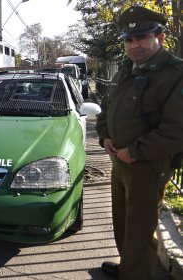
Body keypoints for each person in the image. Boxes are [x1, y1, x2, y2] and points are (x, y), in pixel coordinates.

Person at [95, 6, 183, 280]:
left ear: (160, 37)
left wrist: (134, 151)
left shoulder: (174, 74)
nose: (134, 45)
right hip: (120, 162)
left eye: (142, 37)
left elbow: (176, 130)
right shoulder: (126, 69)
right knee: (123, 225)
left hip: (147, 166)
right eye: (129, 40)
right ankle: (129, 269)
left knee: (140, 232)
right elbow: (107, 108)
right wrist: (105, 136)